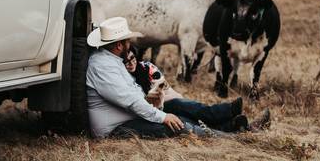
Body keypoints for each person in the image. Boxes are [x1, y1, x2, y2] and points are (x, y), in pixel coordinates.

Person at [85, 17, 227, 139]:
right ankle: (221, 136)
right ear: (118, 45)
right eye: (127, 41)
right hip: (115, 128)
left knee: (176, 109)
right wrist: (162, 116)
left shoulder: (111, 59)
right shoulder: (102, 66)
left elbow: (132, 95)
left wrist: (156, 108)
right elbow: (130, 101)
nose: (130, 45)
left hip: (130, 117)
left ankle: (224, 125)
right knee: (173, 126)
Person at [124, 46, 271, 132]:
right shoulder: (122, 79)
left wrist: (169, 99)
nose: (131, 63)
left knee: (184, 106)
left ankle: (229, 115)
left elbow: (163, 87)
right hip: (152, 112)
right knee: (186, 119)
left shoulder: (146, 68)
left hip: (164, 103)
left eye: (133, 58)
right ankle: (234, 125)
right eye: (126, 62)